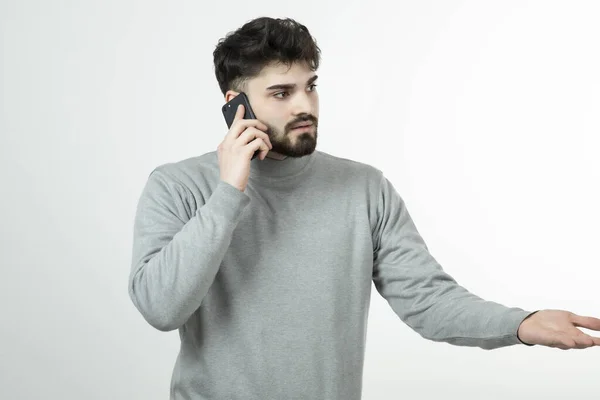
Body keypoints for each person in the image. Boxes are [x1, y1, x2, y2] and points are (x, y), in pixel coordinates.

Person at [128, 16, 600, 400]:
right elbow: (160, 307)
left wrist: (521, 324)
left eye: (310, 86)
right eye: (281, 93)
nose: (305, 105)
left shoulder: (364, 187)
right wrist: (229, 192)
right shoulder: (179, 186)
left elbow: (428, 301)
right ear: (236, 106)